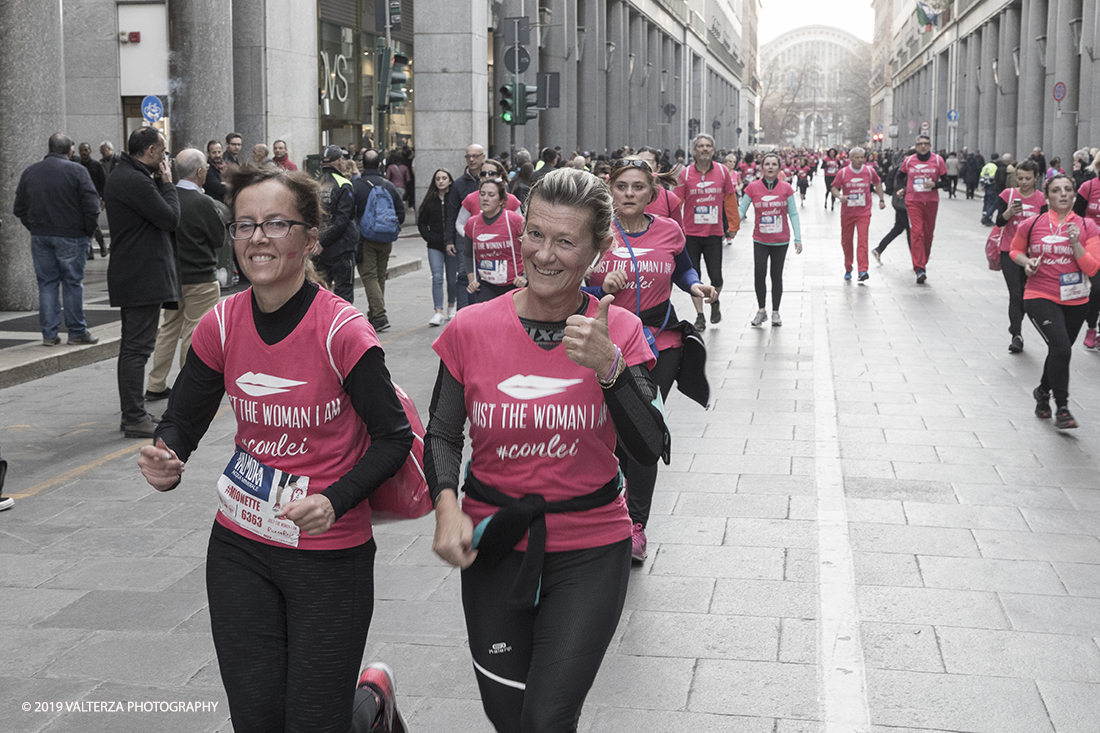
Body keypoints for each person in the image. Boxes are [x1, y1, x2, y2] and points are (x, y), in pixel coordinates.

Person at [137, 164, 413, 733]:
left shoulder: (342, 331)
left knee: (314, 721)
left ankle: (372, 706)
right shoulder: (220, 323)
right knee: (258, 719)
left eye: (276, 224)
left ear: (311, 237)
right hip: (239, 546)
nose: (257, 237)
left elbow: (395, 438)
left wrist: (335, 500)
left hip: (329, 554)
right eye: (244, 225)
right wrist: (167, 453)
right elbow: (183, 418)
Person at [426, 167, 668, 733]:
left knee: (547, 720)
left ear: (597, 249)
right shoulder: (470, 327)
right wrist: (446, 508)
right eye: (535, 234)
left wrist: (611, 369)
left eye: (565, 241)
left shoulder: (621, 331)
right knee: (508, 719)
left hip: (591, 548)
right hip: (495, 541)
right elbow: (441, 432)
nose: (544, 255)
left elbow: (650, 446)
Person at [585, 156, 714, 561]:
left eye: (638, 187)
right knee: (611, 433)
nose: (629, 194)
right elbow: (573, 281)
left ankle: (635, 526)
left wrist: (696, 287)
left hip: (661, 346)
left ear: (651, 193)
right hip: (609, 344)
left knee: (644, 430)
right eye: (622, 186)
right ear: (611, 188)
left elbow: (683, 269)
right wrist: (599, 283)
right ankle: (609, 513)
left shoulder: (670, 231)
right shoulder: (596, 233)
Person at [104, 127, 181, 438]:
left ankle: (133, 413)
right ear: (150, 151)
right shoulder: (135, 180)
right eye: (162, 151)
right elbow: (170, 218)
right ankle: (134, 417)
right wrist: (168, 183)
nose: (164, 157)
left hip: (134, 273)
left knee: (133, 348)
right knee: (137, 350)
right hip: (141, 276)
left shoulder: (126, 175)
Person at [1011, 174, 1100, 430]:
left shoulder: (1087, 227)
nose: (1063, 194)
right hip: (1040, 295)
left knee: (1058, 351)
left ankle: (1042, 391)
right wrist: (1026, 262)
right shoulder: (1032, 224)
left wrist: (1075, 244)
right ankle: (1062, 407)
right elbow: (1016, 251)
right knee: (1062, 348)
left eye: (1068, 190)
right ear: (1047, 195)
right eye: (1056, 190)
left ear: (1074, 195)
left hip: (1076, 299)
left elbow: (1092, 268)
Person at [144, 149, 225, 401]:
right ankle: (187, 385)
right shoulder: (203, 202)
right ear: (200, 172)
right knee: (194, 330)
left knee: (168, 329)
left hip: (172, 276)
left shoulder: (166, 197)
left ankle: (155, 384)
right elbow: (218, 239)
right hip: (201, 276)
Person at [13, 133, 101, 346]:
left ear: (48, 147)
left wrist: (34, 227)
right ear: (70, 150)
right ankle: (77, 331)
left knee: (47, 284)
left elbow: (19, 208)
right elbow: (92, 206)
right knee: (72, 283)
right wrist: (87, 232)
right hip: (72, 235)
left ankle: (49, 334)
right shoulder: (78, 171)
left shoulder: (30, 172)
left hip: (41, 235)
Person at [673, 134, 738, 330]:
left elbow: (730, 198)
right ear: (694, 151)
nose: (704, 149)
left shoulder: (722, 171)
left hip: (713, 233)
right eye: (700, 146)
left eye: (708, 146)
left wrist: (733, 225)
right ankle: (700, 315)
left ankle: (715, 301)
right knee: (695, 276)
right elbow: (677, 203)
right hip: (691, 233)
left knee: (716, 276)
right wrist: (673, 229)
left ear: (713, 150)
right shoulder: (684, 174)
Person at [740, 152, 802, 326]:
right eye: (767, 164)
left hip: (780, 240)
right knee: (759, 273)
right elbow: (741, 209)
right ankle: (761, 311)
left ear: (779, 168)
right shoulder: (752, 187)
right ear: (761, 167)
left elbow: (794, 213)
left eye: (774, 164)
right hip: (760, 239)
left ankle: (775, 312)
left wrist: (798, 238)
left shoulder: (786, 188)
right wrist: (731, 227)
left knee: (776, 275)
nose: (770, 167)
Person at [994, 160, 1045, 355]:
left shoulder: (1041, 199)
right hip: (1009, 250)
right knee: (1015, 293)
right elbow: (999, 222)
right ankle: (1016, 335)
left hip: (1032, 254)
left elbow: (1045, 225)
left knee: (1025, 295)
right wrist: (1008, 213)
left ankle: (1015, 323)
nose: (1024, 182)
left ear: (1036, 177)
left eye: (1028, 178)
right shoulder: (1007, 195)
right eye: (1020, 178)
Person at [354, 149, 406, 330]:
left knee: (369, 277)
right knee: (379, 277)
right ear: (379, 165)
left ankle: (380, 316)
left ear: (362, 164)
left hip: (365, 239)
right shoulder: (388, 185)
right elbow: (401, 212)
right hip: (386, 239)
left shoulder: (357, 185)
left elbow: (352, 214)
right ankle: (375, 315)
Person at [464, 177, 526, 303]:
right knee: (486, 321)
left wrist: (525, 276)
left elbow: (532, 248)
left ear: (501, 200)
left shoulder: (515, 220)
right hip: (486, 284)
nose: (485, 198)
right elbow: (468, 254)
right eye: (482, 194)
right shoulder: (472, 223)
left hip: (514, 284)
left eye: (491, 195)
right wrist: (472, 280)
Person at [830, 146, 885, 282]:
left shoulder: (869, 171)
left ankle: (863, 270)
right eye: (857, 157)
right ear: (851, 158)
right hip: (847, 212)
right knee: (846, 242)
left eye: (862, 157)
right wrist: (840, 197)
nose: (860, 160)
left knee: (862, 240)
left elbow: (877, 184)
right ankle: (848, 267)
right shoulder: (843, 173)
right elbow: (834, 188)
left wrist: (881, 200)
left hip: (863, 212)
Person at [445, 144, 487, 312]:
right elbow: (452, 214)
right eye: (468, 156)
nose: (471, 159)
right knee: (464, 274)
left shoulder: (491, 182)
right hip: (465, 237)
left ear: (483, 157)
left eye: (475, 156)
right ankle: (462, 313)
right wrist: (449, 240)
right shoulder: (459, 184)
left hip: (490, 237)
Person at [901, 135, 947, 283]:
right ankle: (919, 268)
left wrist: (935, 184)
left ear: (930, 145)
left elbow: (946, 182)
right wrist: (901, 189)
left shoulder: (938, 160)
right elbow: (900, 177)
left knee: (928, 234)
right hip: (913, 201)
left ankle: (923, 260)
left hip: (931, 201)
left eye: (926, 144)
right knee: (917, 232)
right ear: (916, 146)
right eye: (920, 144)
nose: (922, 147)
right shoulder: (909, 161)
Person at [316, 145, 359, 303]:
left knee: (320, 292)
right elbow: (343, 220)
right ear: (339, 161)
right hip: (341, 248)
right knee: (344, 291)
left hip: (319, 249)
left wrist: (318, 241)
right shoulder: (344, 184)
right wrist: (323, 241)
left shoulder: (315, 184)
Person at [418, 168, 457, 326]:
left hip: (452, 245)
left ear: (450, 180)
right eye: (438, 179)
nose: (441, 181)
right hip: (434, 245)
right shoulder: (430, 200)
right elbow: (421, 222)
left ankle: (452, 307)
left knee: (452, 279)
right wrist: (429, 237)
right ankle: (438, 312)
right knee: (438, 278)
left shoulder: (454, 199)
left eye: (444, 178)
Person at [1072, 158, 1100, 348]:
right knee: (1096, 289)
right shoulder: (1088, 187)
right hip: (1092, 245)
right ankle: (1091, 327)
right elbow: (1076, 216)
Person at [874, 150, 911, 263]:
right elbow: (899, 185)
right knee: (910, 230)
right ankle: (917, 257)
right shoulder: (903, 169)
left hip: (899, 202)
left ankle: (879, 249)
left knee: (899, 228)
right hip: (902, 202)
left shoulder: (899, 167)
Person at [637, 146, 684, 231]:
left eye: (649, 162)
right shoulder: (623, 196)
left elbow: (679, 234)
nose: (643, 165)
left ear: (658, 168)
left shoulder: (670, 199)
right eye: (639, 162)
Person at [76, 142, 109, 258]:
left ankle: (102, 244)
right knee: (84, 224)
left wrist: (103, 198)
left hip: (93, 198)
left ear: (90, 151)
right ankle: (89, 251)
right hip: (81, 198)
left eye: (86, 150)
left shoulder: (96, 165)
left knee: (93, 223)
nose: (84, 153)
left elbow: (103, 182)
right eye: (81, 150)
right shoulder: (77, 166)